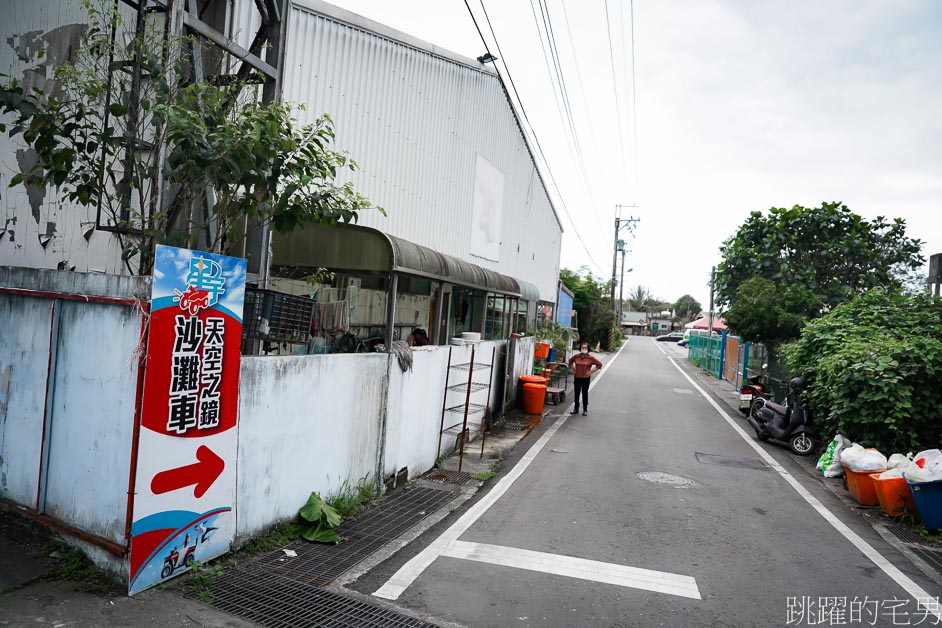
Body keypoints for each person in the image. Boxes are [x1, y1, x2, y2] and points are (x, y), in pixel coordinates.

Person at [568, 343, 602, 416]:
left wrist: (591, 371)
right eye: (582, 347)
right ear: (580, 348)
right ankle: (575, 409)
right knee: (576, 393)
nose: (584, 349)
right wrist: (573, 369)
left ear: (587, 349)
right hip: (577, 377)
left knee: (584, 393)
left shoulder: (591, 358)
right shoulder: (576, 356)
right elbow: (570, 361)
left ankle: (585, 409)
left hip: (585, 378)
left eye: (585, 348)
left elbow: (599, 364)